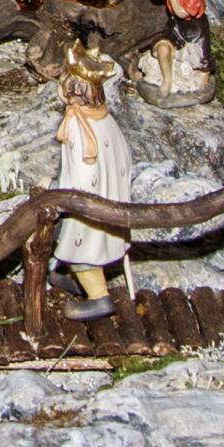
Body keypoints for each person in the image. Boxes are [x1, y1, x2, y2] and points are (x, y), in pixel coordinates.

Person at [51, 45, 140, 319]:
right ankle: (70, 277)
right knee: (60, 238)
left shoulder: (79, 127)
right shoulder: (104, 118)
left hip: (90, 206)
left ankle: (98, 297)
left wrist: (61, 197)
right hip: (111, 196)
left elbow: (81, 174)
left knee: (82, 252)